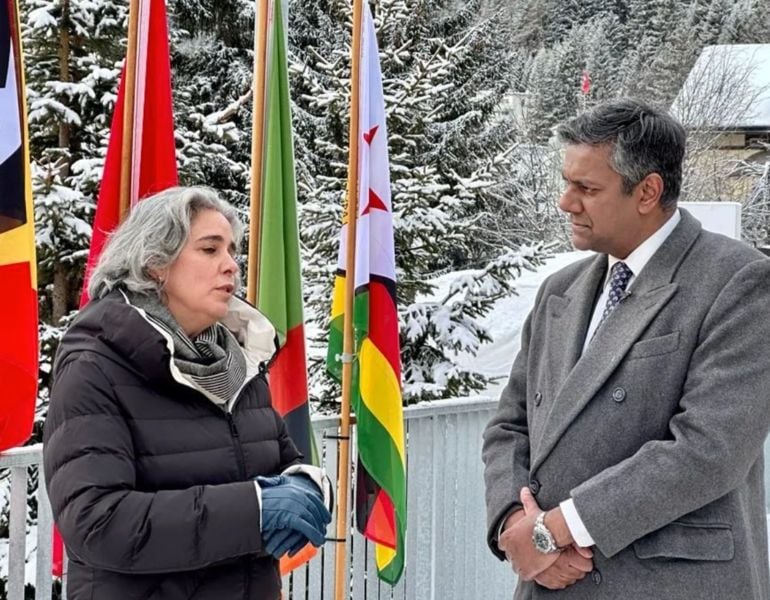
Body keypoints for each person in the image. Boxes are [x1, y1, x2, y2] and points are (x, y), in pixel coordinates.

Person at [482, 99, 770, 599]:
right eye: (567, 183)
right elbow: (510, 424)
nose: (565, 202)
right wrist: (514, 526)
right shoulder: (559, 290)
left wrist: (556, 530)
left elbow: (708, 450)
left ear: (648, 191)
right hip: (552, 583)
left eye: (586, 188)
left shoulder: (738, 282)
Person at [43, 187, 332, 600]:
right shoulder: (95, 365)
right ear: (156, 263)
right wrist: (256, 509)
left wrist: (307, 484)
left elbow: (282, 461)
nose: (231, 265)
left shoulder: (236, 362)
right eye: (210, 250)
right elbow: (97, 522)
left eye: (232, 250)